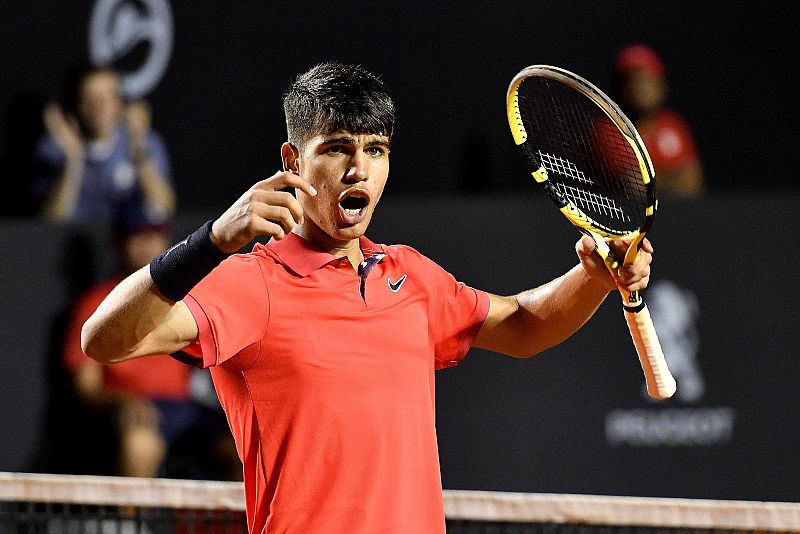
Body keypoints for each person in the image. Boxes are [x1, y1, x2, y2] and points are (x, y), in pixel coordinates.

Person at [81, 63, 654, 533]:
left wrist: (595, 279)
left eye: (375, 150)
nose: (359, 168)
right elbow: (103, 340)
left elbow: (526, 325)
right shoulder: (249, 283)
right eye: (337, 149)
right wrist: (208, 243)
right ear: (291, 163)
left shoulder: (412, 276)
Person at [62, 209, 198, 477]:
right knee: (141, 444)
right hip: (132, 410)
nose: (148, 245)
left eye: (155, 236)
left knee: (241, 446)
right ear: (119, 243)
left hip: (185, 410)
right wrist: (126, 401)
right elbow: (86, 387)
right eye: (139, 236)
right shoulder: (96, 304)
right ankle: (131, 520)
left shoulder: (185, 297)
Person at [32, 65, 175, 222]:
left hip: (126, 242)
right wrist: (73, 160)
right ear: (76, 104)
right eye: (89, 98)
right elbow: (51, 221)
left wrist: (138, 148)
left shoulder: (144, 141)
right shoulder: (53, 149)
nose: (99, 106)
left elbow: (164, 209)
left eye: (107, 97)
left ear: (121, 102)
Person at [615, 44, 704, 197]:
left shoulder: (674, 125)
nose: (640, 89)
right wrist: (673, 177)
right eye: (633, 81)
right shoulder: (611, 128)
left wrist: (655, 180)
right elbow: (633, 185)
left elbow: (692, 181)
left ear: (660, 86)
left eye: (646, 81)